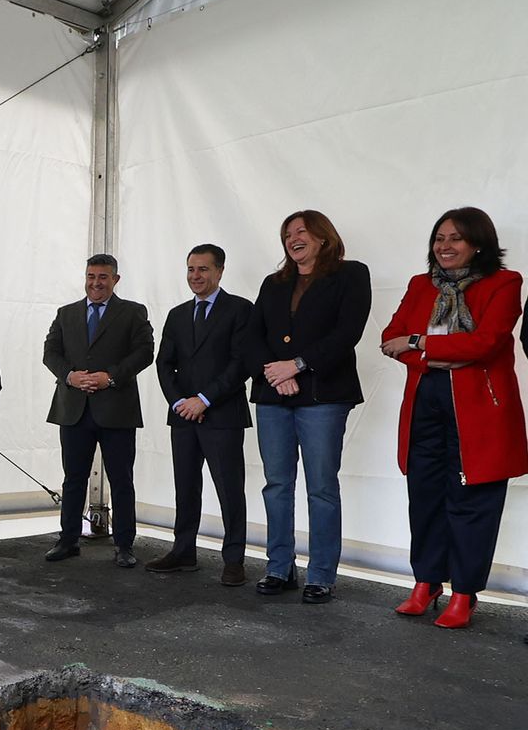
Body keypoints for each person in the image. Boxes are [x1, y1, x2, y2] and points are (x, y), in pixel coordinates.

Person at [378, 207, 526, 629]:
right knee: (424, 495)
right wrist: (439, 354)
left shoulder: (504, 283)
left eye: (456, 238)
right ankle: (426, 583)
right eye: (439, 238)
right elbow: (390, 339)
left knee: (471, 502)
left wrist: (421, 341)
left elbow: (485, 343)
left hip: (479, 410)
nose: (445, 245)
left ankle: (464, 592)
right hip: (426, 400)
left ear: (478, 243)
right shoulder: (420, 285)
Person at [243, 210, 371, 604]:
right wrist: (275, 373)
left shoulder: (351, 274)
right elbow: (252, 336)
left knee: (321, 487)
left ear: (323, 237)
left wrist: (297, 365)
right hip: (273, 396)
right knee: (277, 485)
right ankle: (279, 567)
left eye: (301, 231)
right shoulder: (273, 282)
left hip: (323, 396)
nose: (293, 238)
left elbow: (348, 332)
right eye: (287, 234)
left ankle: (321, 574)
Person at [150, 244, 254, 586]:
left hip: (222, 414)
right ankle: (184, 551)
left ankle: (234, 559)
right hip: (183, 416)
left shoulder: (240, 310)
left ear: (220, 271)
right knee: (186, 486)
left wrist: (205, 400)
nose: (196, 276)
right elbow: (164, 362)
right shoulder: (178, 314)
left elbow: (242, 363)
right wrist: (180, 401)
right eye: (191, 269)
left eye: (203, 269)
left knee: (229, 488)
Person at [42, 254, 155, 567]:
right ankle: (68, 540)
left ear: (115, 279)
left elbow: (145, 352)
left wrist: (111, 377)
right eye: (91, 276)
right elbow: (50, 352)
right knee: (73, 479)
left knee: (121, 480)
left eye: (103, 277)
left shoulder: (133, 312)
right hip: (74, 409)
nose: (96, 283)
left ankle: (124, 545)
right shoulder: (66, 314)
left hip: (116, 409)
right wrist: (70, 376)